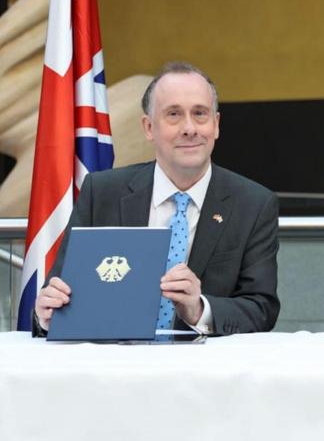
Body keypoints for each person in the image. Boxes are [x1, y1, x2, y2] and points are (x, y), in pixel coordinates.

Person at [34, 61, 279, 336]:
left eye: (200, 114)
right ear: (149, 127)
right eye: (174, 114)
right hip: (116, 358)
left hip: (206, 361)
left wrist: (199, 309)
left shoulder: (254, 204)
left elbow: (261, 309)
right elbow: (60, 292)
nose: (189, 128)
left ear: (216, 125)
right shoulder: (101, 192)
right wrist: (47, 314)